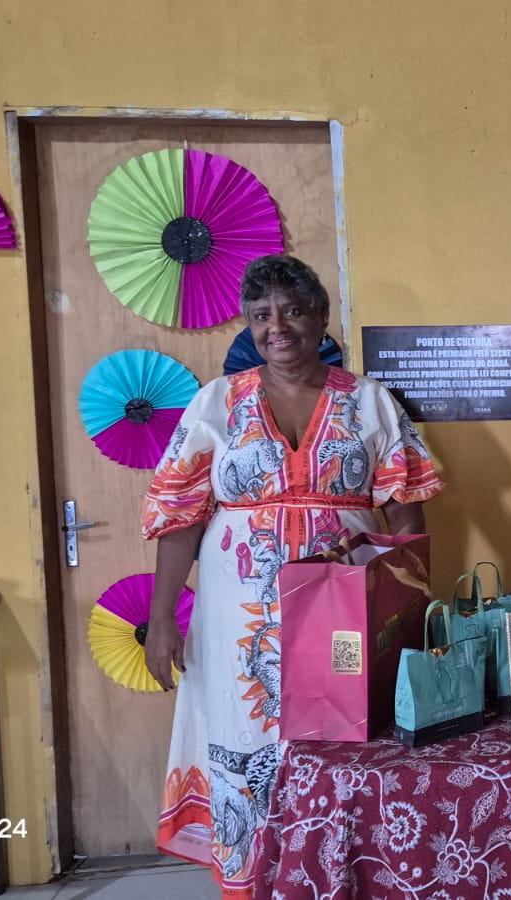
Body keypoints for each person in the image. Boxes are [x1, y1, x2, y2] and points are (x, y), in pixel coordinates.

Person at [140, 254, 443, 898]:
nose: (277, 327)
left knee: (344, 726)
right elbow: (181, 517)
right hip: (237, 618)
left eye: (293, 311)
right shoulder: (217, 401)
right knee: (243, 728)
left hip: (347, 611)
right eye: (262, 315)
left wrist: (412, 609)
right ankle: (250, 877)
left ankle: (335, 873)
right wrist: (162, 616)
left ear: (321, 318)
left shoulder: (369, 401)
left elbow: (406, 509)